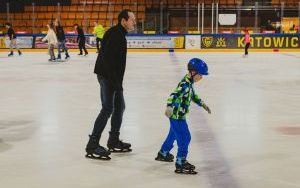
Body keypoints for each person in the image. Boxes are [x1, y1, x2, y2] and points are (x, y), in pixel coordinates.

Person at [85, 9, 136, 160]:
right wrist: (115, 84)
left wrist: (118, 83)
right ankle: (92, 145)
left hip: (112, 78)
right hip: (107, 77)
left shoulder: (119, 34)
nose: (134, 22)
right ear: (123, 20)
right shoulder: (115, 35)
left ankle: (113, 140)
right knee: (107, 108)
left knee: (120, 107)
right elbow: (107, 61)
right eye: (132, 19)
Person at [155, 58, 211, 174]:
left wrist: (202, 104)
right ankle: (180, 161)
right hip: (176, 116)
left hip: (179, 115)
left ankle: (163, 153)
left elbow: (193, 96)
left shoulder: (189, 83)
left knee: (173, 135)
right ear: (193, 72)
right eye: (200, 75)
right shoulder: (185, 84)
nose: (201, 78)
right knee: (185, 138)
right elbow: (174, 95)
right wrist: (169, 106)